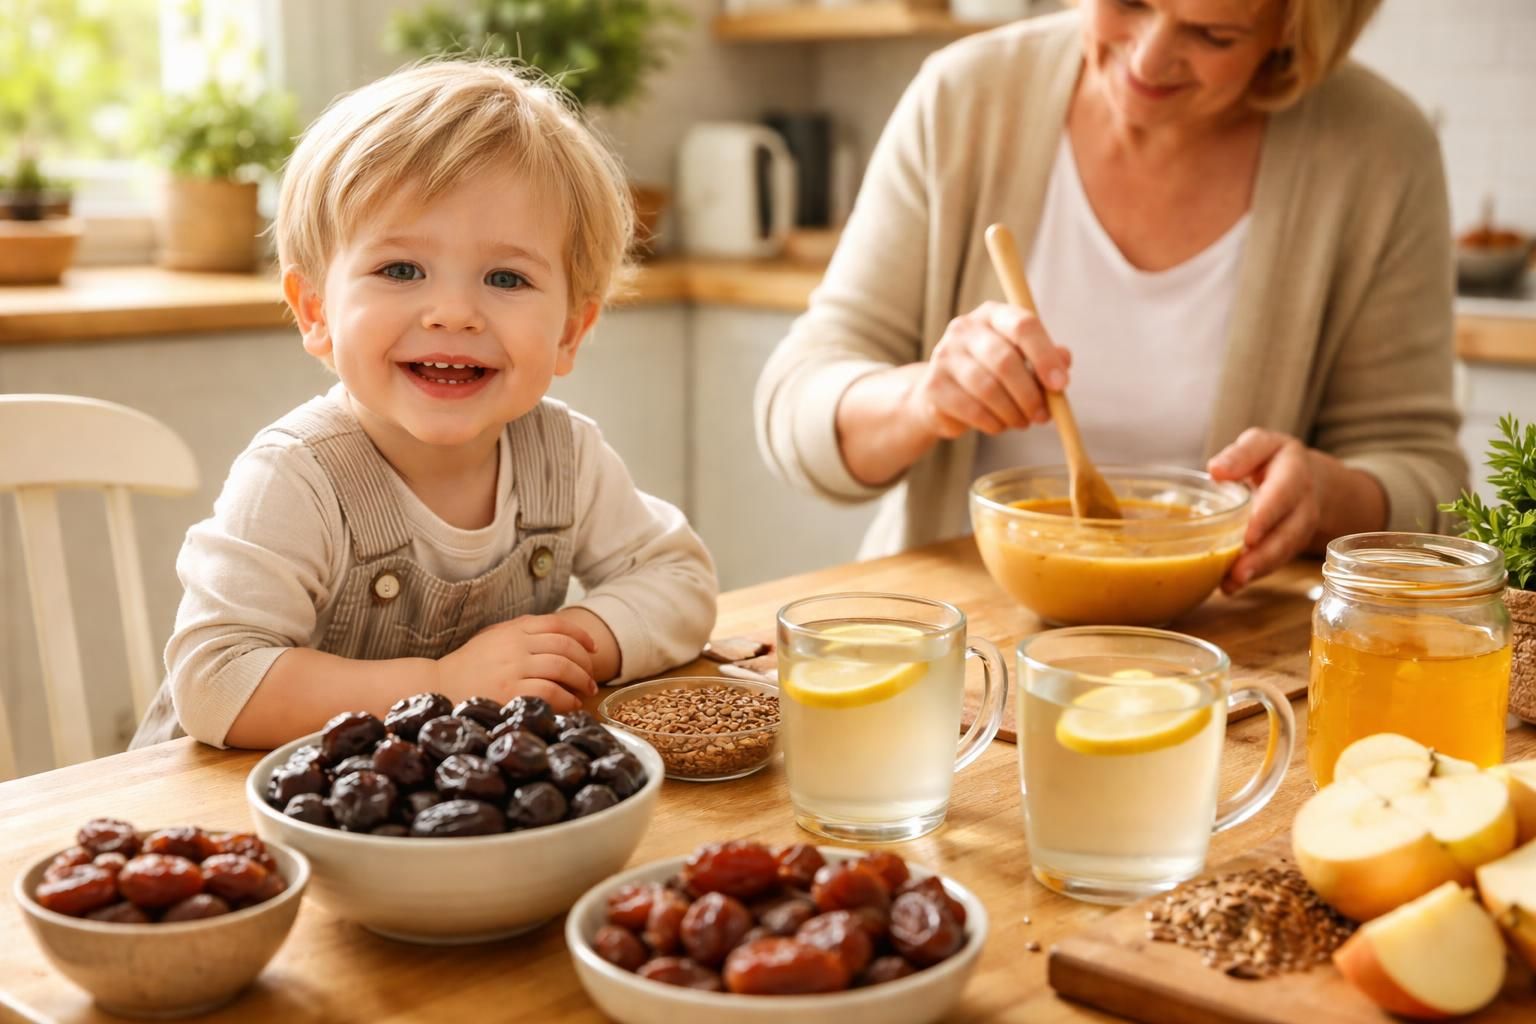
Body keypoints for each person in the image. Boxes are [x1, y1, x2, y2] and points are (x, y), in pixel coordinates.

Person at [755, 0, 1467, 591]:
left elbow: (1428, 481)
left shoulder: (1380, 150)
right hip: (958, 641)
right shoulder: (965, 96)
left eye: (1212, 34)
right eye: (1128, 2)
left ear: (1293, 26)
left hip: (1234, 661)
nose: (1149, 59)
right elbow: (796, 405)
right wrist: (925, 399)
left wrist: (1324, 496)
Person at [135, 61, 717, 750]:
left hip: (426, 817)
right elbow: (215, 682)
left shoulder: (564, 457)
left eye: (506, 277)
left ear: (569, 331)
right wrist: (446, 680)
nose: (452, 313)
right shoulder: (295, 478)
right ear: (316, 312)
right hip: (237, 816)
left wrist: (573, 643)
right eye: (401, 270)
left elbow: (679, 577)